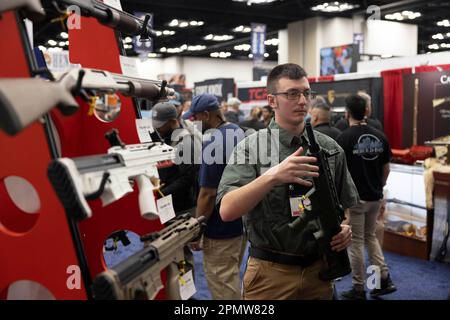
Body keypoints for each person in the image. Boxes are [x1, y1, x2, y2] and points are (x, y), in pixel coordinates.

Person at [217, 63, 359, 300]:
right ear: (272, 101)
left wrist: (345, 229)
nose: (302, 101)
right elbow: (227, 210)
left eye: (306, 93)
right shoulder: (251, 148)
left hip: (319, 273)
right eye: (292, 94)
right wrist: (273, 176)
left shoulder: (330, 149)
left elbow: (345, 206)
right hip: (270, 276)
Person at [184, 93, 247, 300]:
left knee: (222, 285)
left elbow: (208, 193)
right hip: (241, 222)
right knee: (232, 278)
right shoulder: (238, 131)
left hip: (220, 228)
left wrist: (197, 229)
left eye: (195, 118)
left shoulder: (214, 143)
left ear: (206, 115)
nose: (194, 123)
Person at [336, 94, 396, 300]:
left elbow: (339, 173)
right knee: (370, 238)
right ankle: (382, 280)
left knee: (357, 242)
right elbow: (386, 168)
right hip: (375, 196)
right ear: (367, 111)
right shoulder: (381, 136)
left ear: (347, 113)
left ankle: (359, 288)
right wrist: (380, 186)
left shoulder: (343, 138)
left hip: (355, 200)